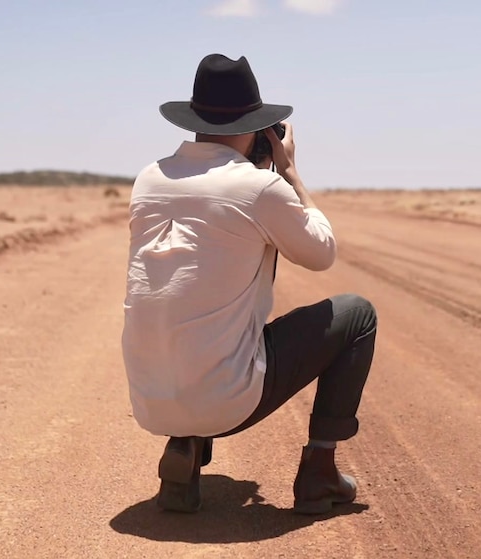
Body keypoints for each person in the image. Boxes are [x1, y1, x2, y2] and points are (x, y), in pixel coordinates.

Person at [121, 53, 377, 515]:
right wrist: (292, 175)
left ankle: (186, 447)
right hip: (226, 401)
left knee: (197, 310)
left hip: (150, 400)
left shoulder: (148, 178)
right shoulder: (258, 187)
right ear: (259, 127)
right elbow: (322, 253)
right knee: (357, 314)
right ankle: (319, 473)